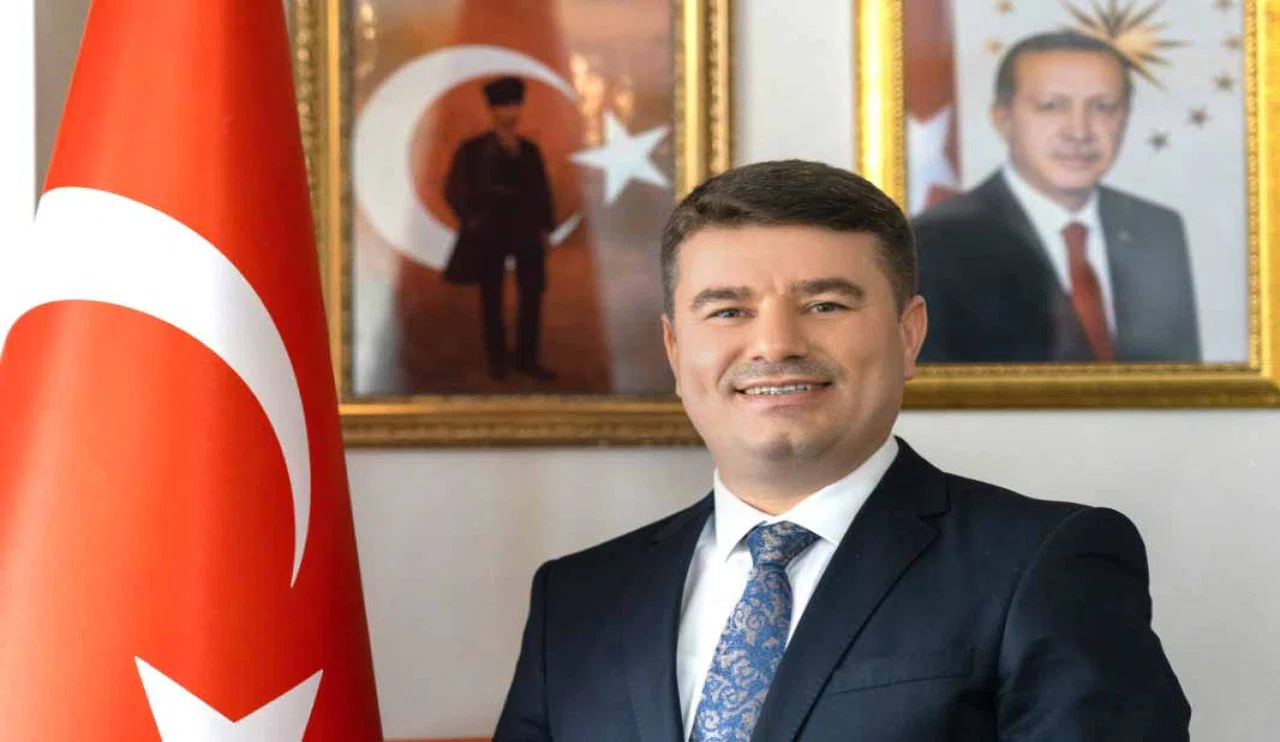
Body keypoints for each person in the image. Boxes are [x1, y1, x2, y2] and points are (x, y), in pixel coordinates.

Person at [493, 160, 1190, 741]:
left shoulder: (1046, 564)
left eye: (825, 305)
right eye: (729, 311)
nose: (775, 344)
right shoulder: (578, 597)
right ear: (676, 350)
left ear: (908, 334)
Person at [913, 31, 1200, 363]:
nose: (1079, 132)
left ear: (1125, 118)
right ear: (1003, 119)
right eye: (1052, 107)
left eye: (1103, 107)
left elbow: (1179, 380)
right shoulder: (939, 240)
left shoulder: (1157, 229)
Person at [442, 76, 556, 380]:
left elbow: (542, 191)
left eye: (515, 105)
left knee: (532, 293)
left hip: (526, 229)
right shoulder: (472, 150)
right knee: (490, 296)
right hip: (490, 231)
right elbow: (454, 189)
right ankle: (497, 362)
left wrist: (545, 228)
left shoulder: (529, 150)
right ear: (493, 110)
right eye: (504, 106)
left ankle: (527, 359)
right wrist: (473, 219)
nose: (510, 112)